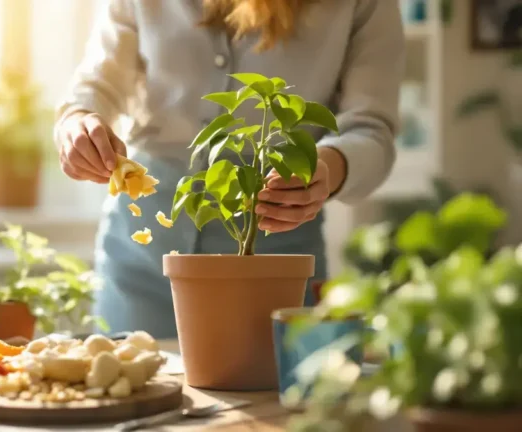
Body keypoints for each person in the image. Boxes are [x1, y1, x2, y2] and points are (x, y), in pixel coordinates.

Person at [54, 0, 404, 339]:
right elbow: (97, 82)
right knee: (129, 372)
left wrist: (324, 167)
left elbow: (370, 127)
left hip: (276, 260)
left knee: (272, 378)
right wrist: (77, 121)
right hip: (141, 250)